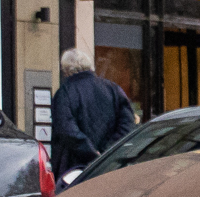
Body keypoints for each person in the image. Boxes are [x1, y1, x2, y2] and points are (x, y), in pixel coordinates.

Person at [50, 48, 136, 176]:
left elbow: (66, 129)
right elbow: (127, 124)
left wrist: (91, 153)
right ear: (90, 66)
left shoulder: (64, 93)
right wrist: (107, 152)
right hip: (110, 167)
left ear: (65, 70)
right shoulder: (113, 89)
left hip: (73, 168)